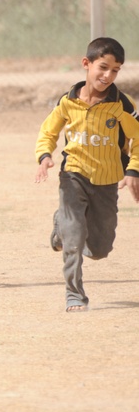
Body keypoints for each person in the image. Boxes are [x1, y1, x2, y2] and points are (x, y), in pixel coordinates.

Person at [35, 37, 139, 312]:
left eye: (115, 70)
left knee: (100, 248)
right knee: (74, 237)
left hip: (107, 181)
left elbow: (138, 138)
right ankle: (74, 294)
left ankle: (61, 224)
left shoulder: (123, 105)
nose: (108, 75)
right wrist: (45, 155)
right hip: (73, 176)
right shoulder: (68, 102)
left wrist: (133, 169)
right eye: (103, 67)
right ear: (86, 64)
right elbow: (48, 131)